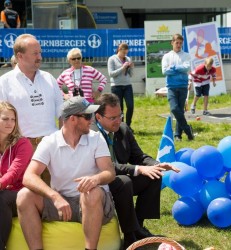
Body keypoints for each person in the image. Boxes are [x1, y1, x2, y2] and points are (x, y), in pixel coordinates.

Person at [16, 96, 115, 250]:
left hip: (93, 202)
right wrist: (54, 197)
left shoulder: (96, 138)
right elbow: (29, 176)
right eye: (88, 116)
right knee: (24, 195)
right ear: (73, 119)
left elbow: (109, 172)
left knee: (91, 193)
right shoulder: (49, 142)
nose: (92, 120)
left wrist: (95, 179)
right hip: (62, 203)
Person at [92, 93, 180, 250]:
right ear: (98, 117)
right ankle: (130, 236)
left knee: (154, 175)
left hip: (118, 179)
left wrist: (157, 165)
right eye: (113, 118)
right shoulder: (91, 134)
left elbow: (138, 156)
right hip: (97, 183)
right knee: (124, 182)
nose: (118, 121)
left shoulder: (123, 129)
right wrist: (138, 169)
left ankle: (138, 227)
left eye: (120, 115)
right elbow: (106, 166)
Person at [0, 34, 64, 184]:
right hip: (20, 149)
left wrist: (63, 141)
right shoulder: (4, 82)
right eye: (35, 53)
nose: (40, 57)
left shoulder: (49, 78)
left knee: (54, 193)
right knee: (25, 196)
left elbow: (62, 113)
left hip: (51, 146)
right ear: (20, 56)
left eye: (40, 52)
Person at [0, 101, 33, 250]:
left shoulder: (23, 143)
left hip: (21, 193)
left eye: (13, 119)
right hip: (2, 190)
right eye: (5, 119)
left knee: (2, 198)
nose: (10, 123)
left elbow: (13, 173)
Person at [161, 34, 194, 141]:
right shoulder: (167, 56)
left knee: (180, 110)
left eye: (180, 43)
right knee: (174, 109)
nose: (179, 45)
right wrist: (180, 68)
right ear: (172, 43)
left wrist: (174, 68)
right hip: (171, 87)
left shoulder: (186, 55)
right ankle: (188, 129)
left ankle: (177, 135)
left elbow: (187, 68)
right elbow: (165, 71)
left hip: (183, 86)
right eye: (177, 43)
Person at [107, 43, 134, 131]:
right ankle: (121, 127)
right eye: (123, 53)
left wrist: (131, 68)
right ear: (119, 50)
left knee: (130, 105)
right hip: (116, 86)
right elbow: (111, 74)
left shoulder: (128, 59)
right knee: (119, 108)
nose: (125, 55)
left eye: (126, 53)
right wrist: (122, 68)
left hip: (127, 85)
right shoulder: (112, 59)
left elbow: (131, 75)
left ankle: (128, 125)